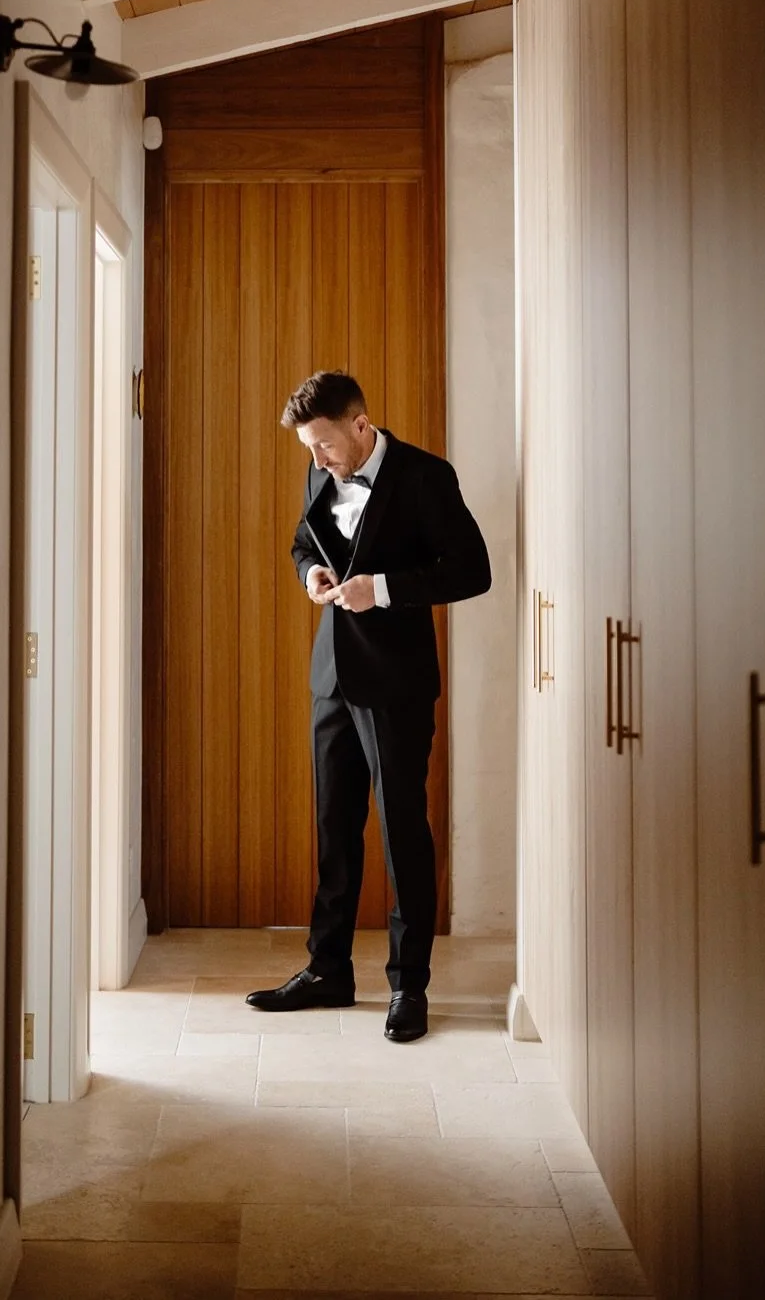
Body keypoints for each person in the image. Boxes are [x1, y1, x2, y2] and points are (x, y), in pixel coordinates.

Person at [246, 370, 491, 1042]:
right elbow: (303, 542)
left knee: (401, 832)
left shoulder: (424, 476)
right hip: (332, 676)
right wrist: (311, 575)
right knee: (334, 827)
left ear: (360, 425)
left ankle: (408, 986)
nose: (315, 459)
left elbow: (473, 570)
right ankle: (328, 970)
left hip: (397, 682)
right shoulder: (318, 473)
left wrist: (381, 589)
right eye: (308, 448)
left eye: (323, 444)